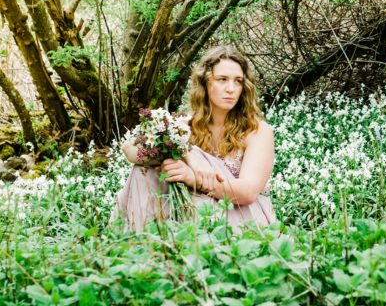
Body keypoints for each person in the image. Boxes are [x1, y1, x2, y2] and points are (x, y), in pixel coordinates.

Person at [116, 45, 276, 230]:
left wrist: (194, 178)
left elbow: (248, 193)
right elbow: (131, 150)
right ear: (205, 83)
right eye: (222, 79)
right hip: (196, 209)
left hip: (241, 215)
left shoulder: (257, 130)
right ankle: (142, 239)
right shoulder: (185, 125)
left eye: (238, 81)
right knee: (143, 170)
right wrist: (188, 154)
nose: (231, 89)